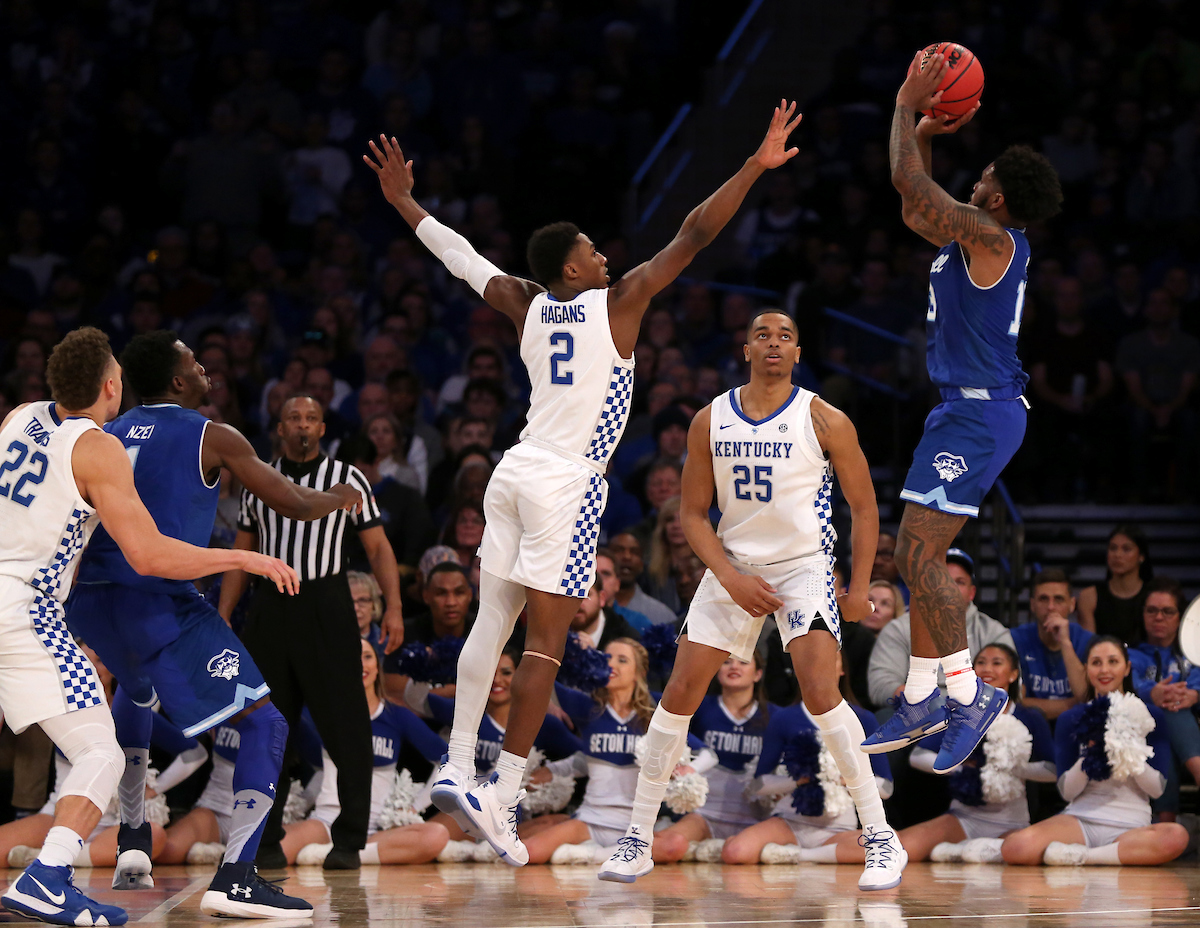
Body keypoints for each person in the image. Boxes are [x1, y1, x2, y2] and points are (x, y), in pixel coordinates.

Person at [364, 100, 807, 865]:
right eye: (593, 251)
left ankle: (458, 763)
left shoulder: (526, 302)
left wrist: (405, 203)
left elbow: (460, 257)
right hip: (567, 481)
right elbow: (694, 233)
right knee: (545, 643)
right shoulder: (618, 302)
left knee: (490, 622)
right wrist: (752, 167)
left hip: (512, 468)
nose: (605, 257)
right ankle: (503, 792)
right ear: (572, 268)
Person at [0, 327, 297, 927]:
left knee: (117, 719)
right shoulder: (97, 447)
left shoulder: (18, 419)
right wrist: (242, 557)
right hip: (26, 612)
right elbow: (151, 555)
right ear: (111, 387)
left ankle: (96, 856)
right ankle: (48, 878)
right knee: (99, 753)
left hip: (43, 600)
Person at [599, 309, 902, 890]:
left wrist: (860, 586)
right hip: (733, 566)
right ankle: (636, 837)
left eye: (785, 336)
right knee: (678, 695)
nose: (773, 343)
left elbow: (865, 509)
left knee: (822, 695)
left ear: (797, 353)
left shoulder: (825, 418)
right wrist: (729, 577)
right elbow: (691, 514)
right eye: (762, 335)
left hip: (804, 566)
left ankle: (881, 836)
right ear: (746, 349)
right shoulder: (709, 419)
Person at [66, 331, 362, 916]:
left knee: (136, 687)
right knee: (265, 724)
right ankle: (238, 877)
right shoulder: (212, 435)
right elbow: (294, 504)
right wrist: (337, 497)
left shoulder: (106, 432)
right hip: (158, 601)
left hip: (91, 602)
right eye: (196, 363)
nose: (207, 369)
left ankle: (132, 837)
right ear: (178, 381)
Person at [863, 50, 1063, 773]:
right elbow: (914, 204)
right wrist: (920, 133)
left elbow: (908, 183)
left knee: (916, 555)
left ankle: (970, 693)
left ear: (999, 200)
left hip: (982, 413)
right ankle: (924, 695)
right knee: (916, 556)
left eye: (982, 179)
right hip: (961, 410)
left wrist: (904, 106)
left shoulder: (993, 239)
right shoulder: (970, 240)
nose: (972, 182)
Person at [218, 394, 403, 872]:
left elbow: (378, 549)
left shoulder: (348, 478)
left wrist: (395, 608)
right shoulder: (257, 479)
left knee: (346, 725)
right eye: (294, 418)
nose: (302, 425)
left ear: (322, 428)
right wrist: (224, 613)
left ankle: (349, 841)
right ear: (280, 428)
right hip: (271, 607)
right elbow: (242, 550)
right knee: (267, 724)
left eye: (311, 418)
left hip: (326, 604)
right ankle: (264, 842)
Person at [1000, 636, 1188, 866]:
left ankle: (1083, 857)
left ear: (1127, 668)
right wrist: (1091, 752)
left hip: (1131, 826)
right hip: (1081, 819)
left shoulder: (1149, 715)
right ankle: (1106, 855)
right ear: (1086, 669)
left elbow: (1157, 790)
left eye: (1113, 661)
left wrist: (1126, 749)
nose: (1104, 670)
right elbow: (1067, 792)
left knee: (1176, 836)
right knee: (1015, 847)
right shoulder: (1071, 718)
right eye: (1096, 663)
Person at [521, 639, 713, 863]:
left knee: (674, 846)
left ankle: (592, 855)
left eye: (622, 660)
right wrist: (574, 652)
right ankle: (615, 855)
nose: (611, 664)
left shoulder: (654, 714)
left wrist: (687, 770)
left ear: (639, 673)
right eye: (606, 658)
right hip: (591, 820)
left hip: (638, 825)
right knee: (530, 851)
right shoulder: (587, 707)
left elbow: (709, 755)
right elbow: (544, 678)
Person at [281, 640, 450, 865]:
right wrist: (304, 801)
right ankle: (340, 853)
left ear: (378, 666)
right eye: (353, 656)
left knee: (436, 835)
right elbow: (316, 764)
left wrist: (414, 807)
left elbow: (447, 761)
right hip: (326, 822)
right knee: (275, 848)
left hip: (375, 830)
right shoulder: (324, 713)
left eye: (368, 656)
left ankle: (337, 855)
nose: (361, 663)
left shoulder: (396, 716)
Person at [897, 644, 1056, 863]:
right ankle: (969, 850)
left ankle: (968, 851)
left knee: (1020, 850)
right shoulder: (956, 713)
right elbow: (917, 756)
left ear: (1013, 674)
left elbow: (1053, 771)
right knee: (905, 848)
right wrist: (959, 767)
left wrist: (1011, 768)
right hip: (962, 818)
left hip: (1011, 823)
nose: (987, 669)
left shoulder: (1030, 717)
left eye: (997, 663)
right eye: (981, 663)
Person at [647, 652, 775, 854]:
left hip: (757, 816)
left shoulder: (775, 716)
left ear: (758, 674)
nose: (734, 667)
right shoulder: (698, 706)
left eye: (743, 662)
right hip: (704, 813)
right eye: (726, 662)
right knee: (668, 844)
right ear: (717, 671)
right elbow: (650, 701)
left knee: (738, 852)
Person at [866, 550, 1014, 711]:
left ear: (971, 593)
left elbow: (1013, 687)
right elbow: (880, 686)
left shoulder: (993, 632)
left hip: (977, 715)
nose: (949, 588)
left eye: (959, 582)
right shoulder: (898, 629)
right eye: (941, 579)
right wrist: (933, 709)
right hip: (916, 715)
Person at [1127, 579, 1200, 812]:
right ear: (1142, 615)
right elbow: (1129, 683)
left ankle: (1166, 821)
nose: (1159, 617)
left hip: (1190, 726)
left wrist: (1195, 694)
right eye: (1152, 610)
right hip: (1143, 730)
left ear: (1180, 617)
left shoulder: (1195, 654)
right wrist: (1151, 692)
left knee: (1172, 709)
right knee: (1163, 712)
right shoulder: (1130, 655)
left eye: (1167, 611)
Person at [1011, 569, 1093, 721]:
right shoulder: (1014, 640)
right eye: (1043, 599)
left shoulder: (1087, 641)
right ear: (1032, 605)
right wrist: (1073, 704)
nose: (1050, 607)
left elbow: (1087, 697)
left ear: (1072, 604)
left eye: (1059, 599)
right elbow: (1014, 704)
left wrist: (1065, 643)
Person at [1077, 525, 1151, 641]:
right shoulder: (1089, 597)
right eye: (1113, 548)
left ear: (1141, 556)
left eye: (1126, 549)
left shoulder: (1153, 596)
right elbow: (1089, 646)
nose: (1118, 555)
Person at [610, 531, 678, 627]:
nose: (627, 557)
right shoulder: (589, 608)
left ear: (642, 564)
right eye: (619, 550)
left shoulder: (662, 615)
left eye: (634, 552)